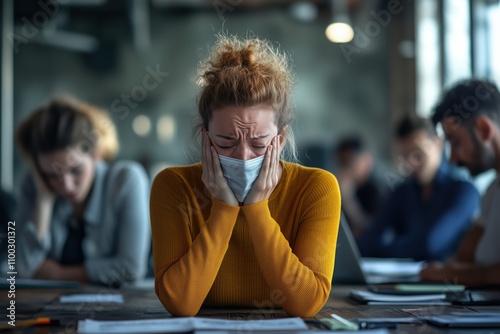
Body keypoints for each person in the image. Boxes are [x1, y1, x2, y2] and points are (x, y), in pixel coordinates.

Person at [150, 35, 341, 317]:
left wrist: (256, 209)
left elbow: (306, 304)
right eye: (226, 142)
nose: (242, 156)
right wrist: (224, 208)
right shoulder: (174, 186)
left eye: (259, 144)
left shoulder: (316, 188)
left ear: (282, 137)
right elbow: (181, 303)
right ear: (205, 137)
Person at [15, 96, 150, 286]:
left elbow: (130, 269)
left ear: (95, 153)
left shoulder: (126, 180)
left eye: (76, 170)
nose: (66, 186)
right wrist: (43, 202)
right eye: (52, 175)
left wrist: (58, 274)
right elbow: (23, 268)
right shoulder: (34, 185)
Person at [358, 115, 480, 261]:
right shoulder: (401, 192)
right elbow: (366, 242)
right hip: (403, 279)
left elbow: (430, 245)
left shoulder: (464, 191)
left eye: (418, 154)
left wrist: (385, 247)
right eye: (404, 156)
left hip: (449, 281)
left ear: (438, 144)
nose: (410, 164)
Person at [420, 79, 500, 285]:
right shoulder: (493, 190)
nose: (453, 158)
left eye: (456, 142)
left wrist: (449, 274)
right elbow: (462, 258)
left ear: (483, 129)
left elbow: (454, 269)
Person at [334, 135, 387, 237]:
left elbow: (374, 230)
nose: (346, 169)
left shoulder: (377, 191)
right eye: (342, 163)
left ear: (366, 160)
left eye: (349, 162)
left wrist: (348, 199)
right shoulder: (340, 188)